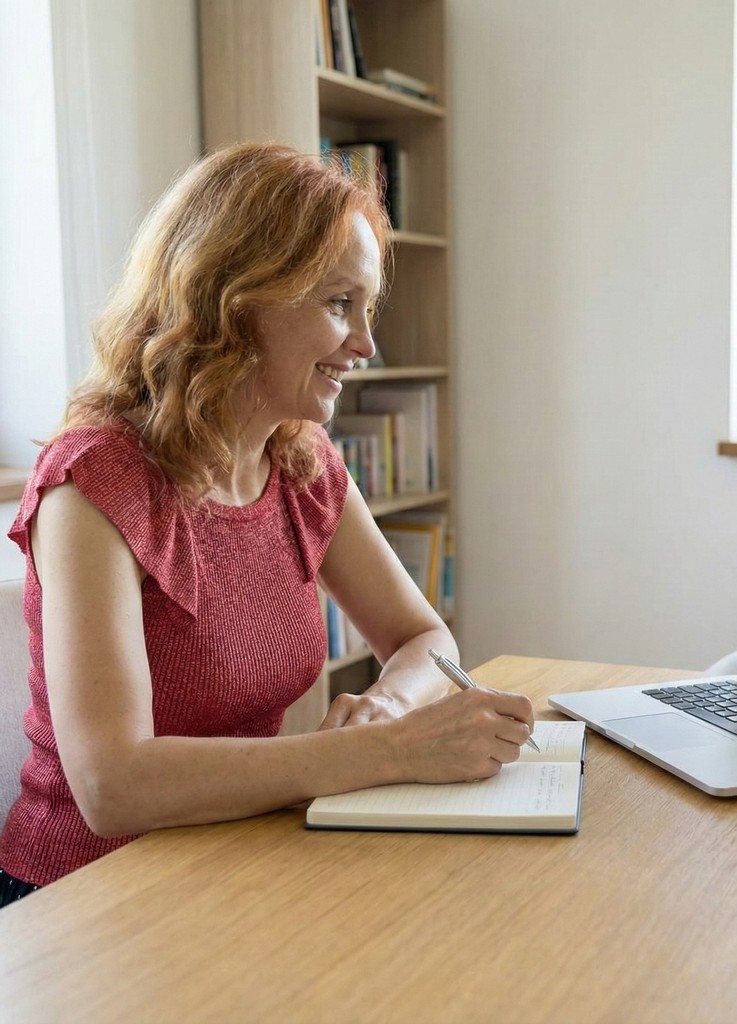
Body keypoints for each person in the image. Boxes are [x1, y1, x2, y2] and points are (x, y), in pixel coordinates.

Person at [0, 142, 535, 907]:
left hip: (235, 859)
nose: (365, 344)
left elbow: (425, 638)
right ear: (236, 296)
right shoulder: (93, 484)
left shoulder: (300, 462)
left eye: (367, 307)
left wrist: (387, 708)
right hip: (80, 899)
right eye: (338, 304)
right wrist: (377, 753)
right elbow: (110, 786)